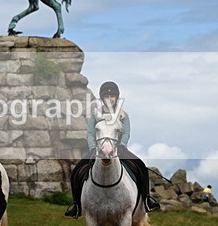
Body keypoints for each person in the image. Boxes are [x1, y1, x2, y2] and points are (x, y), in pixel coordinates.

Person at [65, 81, 160, 219]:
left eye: (112, 96)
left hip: (119, 148)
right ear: (102, 98)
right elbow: (90, 133)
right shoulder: (96, 115)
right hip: (98, 149)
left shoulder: (123, 115)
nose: (110, 99)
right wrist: (93, 148)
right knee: (77, 171)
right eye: (106, 96)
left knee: (141, 167)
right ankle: (77, 206)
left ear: (116, 97)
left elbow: (126, 132)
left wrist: (121, 145)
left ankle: (147, 200)